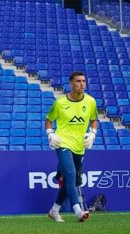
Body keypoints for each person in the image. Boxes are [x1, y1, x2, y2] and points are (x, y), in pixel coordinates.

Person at [45, 71, 98, 222]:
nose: (82, 84)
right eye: (78, 81)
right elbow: (48, 120)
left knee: (72, 181)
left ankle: (54, 210)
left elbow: (94, 120)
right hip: (62, 143)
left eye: (83, 81)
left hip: (80, 146)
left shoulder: (91, 101)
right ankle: (78, 211)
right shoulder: (60, 103)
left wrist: (93, 133)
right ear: (71, 83)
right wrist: (50, 134)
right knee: (70, 173)